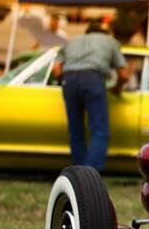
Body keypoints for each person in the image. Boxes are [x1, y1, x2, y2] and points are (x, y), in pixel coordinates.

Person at [51, 19, 128, 172]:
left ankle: (79, 173)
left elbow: (57, 70)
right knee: (99, 130)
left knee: (75, 130)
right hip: (93, 79)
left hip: (69, 80)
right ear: (106, 33)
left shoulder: (70, 41)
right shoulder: (110, 41)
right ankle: (91, 172)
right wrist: (117, 88)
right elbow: (124, 74)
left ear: (87, 31)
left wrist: (65, 82)